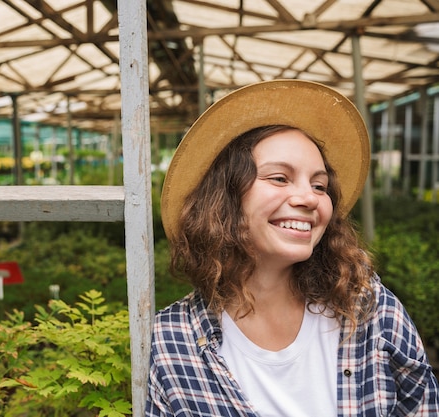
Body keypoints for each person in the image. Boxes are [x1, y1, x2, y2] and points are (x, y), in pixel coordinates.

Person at [146, 79, 439, 417]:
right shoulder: (172, 341)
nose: (308, 198)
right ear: (223, 200)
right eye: (280, 178)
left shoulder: (369, 309)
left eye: (319, 185)